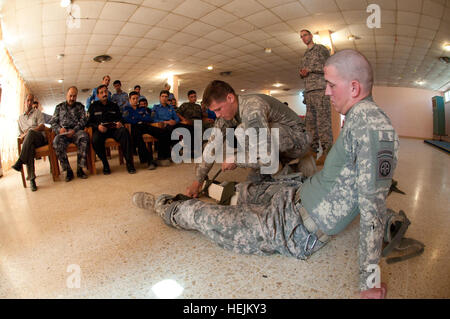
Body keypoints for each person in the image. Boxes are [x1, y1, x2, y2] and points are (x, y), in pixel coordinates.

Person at [132, 49, 399, 299]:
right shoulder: (360, 117)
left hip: (293, 226)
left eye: (331, 85)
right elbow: (366, 187)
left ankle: (163, 205)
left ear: (354, 88)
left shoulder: (371, 126)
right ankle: (228, 189)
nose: (326, 93)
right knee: (245, 191)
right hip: (295, 193)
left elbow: (372, 202)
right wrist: (198, 179)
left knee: (205, 216)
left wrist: (370, 281)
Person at [185, 80, 313, 198]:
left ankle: (294, 174)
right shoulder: (226, 115)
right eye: (214, 111)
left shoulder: (252, 109)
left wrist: (235, 159)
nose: (217, 115)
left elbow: (265, 156)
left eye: (218, 109)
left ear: (230, 98)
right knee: (251, 186)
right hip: (277, 145)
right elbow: (211, 146)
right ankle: (287, 169)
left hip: (299, 140)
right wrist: (198, 181)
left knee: (243, 130)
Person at [299, 29, 333, 166]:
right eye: (301, 37)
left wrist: (311, 70)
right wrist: (302, 73)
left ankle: (327, 152)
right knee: (310, 124)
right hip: (309, 92)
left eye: (305, 35)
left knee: (323, 123)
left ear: (311, 36)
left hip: (320, 90)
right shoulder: (304, 55)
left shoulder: (321, 49)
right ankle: (312, 151)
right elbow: (302, 72)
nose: (303, 38)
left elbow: (328, 65)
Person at [87, 84, 136, 174]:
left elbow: (120, 118)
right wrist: (97, 126)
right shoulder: (93, 106)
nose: (104, 94)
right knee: (95, 140)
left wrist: (120, 123)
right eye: (101, 92)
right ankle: (105, 164)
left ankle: (129, 163)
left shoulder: (114, 105)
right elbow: (89, 122)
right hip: (100, 130)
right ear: (98, 95)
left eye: (105, 91)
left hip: (114, 129)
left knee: (124, 132)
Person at [123, 93, 172, 169]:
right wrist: (140, 117)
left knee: (163, 132)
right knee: (139, 138)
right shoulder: (126, 109)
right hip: (134, 128)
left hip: (145, 126)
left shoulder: (142, 108)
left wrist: (135, 118)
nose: (136, 100)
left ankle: (161, 157)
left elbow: (149, 119)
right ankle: (149, 161)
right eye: (133, 99)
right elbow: (126, 119)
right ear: (129, 100)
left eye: (137, 98)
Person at [50, 86, 89, 181]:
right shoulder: (59, 107)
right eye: (70, 96)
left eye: (74, 96)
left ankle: (80, 169)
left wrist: (74, 130)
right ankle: (68, 171)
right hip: (63, 133)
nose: (72, 98)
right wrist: (59, 130)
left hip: (76, 132)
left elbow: (83, 121)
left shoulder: (80, 106)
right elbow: (53, 122)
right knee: (56, 142)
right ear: (66, 95)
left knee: (84, 137)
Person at [12, 94, 46, 191]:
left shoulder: (37, 112)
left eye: (31, 101)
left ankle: (20, 161)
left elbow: (42, 126)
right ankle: (32, 180)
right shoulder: (20, 118)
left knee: (30, 132)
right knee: (29, 148)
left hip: (39, 138)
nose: (29, 102)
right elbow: (20, 135)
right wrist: (24, 134)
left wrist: (31, 131)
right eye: (28, 100)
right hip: (29, 142)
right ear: (24, 102)